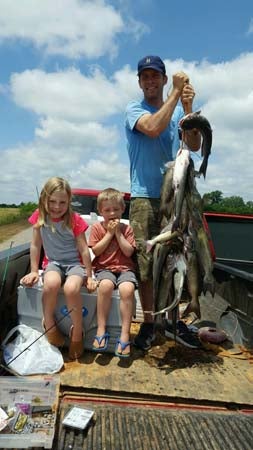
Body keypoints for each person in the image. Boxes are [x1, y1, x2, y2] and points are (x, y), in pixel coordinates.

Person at [125, 55, 201, 350]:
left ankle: (173, 322)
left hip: (175, 198)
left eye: (155, 75)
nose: (150, 81)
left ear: (164, 78)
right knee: (146, 266)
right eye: (145, 76)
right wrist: (174, 96)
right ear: (140, 82)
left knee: (176, 260)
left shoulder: (175, 112)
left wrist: (188, 107)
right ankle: (149, 322)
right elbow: (154, 128)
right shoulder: (134, 110)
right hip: (144, 197)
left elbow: (193, 145)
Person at [20, 176, 97, 360]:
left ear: (69, 201)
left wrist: (89, 276)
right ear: (44, 199)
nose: (56, 206)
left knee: (71, 288)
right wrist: (33, 270)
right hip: (53, 263)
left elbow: (84, 250)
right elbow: (36, 245)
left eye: (62, 202)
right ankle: (49, 325)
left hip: (74, 264)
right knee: (51, 283)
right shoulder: (39, 216)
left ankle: (77, 333)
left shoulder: (74, 219)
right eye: (52, 201)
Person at [88, 188, 137, 358]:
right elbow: (96, 250)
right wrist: (109, 233)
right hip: (104, 269)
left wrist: (118, 233)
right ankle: (101, 329)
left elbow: (129, 252)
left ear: (123, 209)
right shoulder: (96, 228)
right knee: (106, 286)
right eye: (107, 210)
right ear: (101, 212)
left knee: (127, 290)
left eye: (116, 209)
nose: (112, 213)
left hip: (125, 269)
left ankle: (125, 334)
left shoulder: (127, 229)